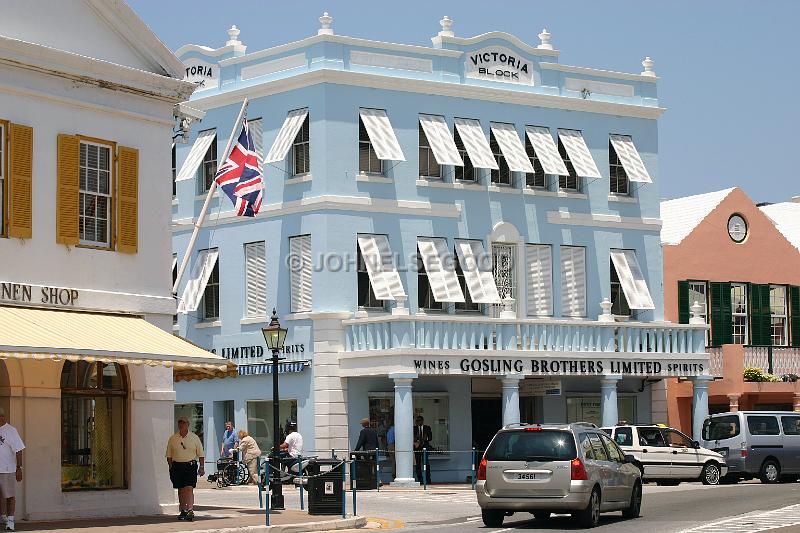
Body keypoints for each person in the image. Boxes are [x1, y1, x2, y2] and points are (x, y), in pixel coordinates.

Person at [166, 416, 205, 521]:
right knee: (181, 489)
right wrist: (171, 467)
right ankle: (183, 510)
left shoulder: (194, 437)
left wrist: (201, 467)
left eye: (183, 422)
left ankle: (190, 510)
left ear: (188, 424)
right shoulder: (173, 438)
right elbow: (169, 455)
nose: (181, 424)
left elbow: (201, 454)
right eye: (179, 422)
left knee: (189, 488)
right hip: (177, 466)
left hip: (190, 465)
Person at [0, 409, 24, 532]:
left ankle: (10, 521)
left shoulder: (11, 431)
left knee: (9, 496)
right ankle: (2, 516)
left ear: (2, 417)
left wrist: (19, 468)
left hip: (7, 469)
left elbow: (19, 450)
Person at [413, 415, 433, 485]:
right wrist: (416, 439)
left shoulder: (427, 428)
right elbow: (412, 438)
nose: (418, 422)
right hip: (417, 448)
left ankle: (428, 479)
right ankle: (420, 480)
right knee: (418, 464)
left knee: (426, 463)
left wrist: (425, 438)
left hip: (425, 447)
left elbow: (430, 438)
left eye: (419, 420)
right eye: (416, 421)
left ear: (422, 421)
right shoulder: (414, 428)